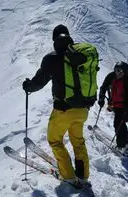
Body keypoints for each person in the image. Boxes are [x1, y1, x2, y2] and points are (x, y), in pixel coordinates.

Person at [22, 24, 94, 186]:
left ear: (54, 39)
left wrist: (28, 86)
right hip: (82, 110)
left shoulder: (52, 58)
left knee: (55, 140)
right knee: (78, 140)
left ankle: (68, 175)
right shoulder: (81, 56)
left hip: (63, 110)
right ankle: (83, 174)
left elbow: (39, 82)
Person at [98, 61, 128, 153]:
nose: (118, 73)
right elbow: (103, 87)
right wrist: (101, 98)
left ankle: (121, 145)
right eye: (116, 70)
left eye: (120, 71)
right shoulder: (111, 76)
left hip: (125, 106)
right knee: (120, 123)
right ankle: (125, 143)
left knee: (118, 124)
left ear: (125, 72)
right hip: (115, 104)